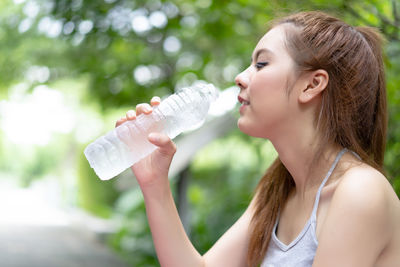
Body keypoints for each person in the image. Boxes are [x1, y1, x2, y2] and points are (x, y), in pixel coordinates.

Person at [115, 11, 400, 267]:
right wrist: (155, 183)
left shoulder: (360, 192)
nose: (240, 77)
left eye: (261, 64)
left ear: (312, 85)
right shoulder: (278, 190)